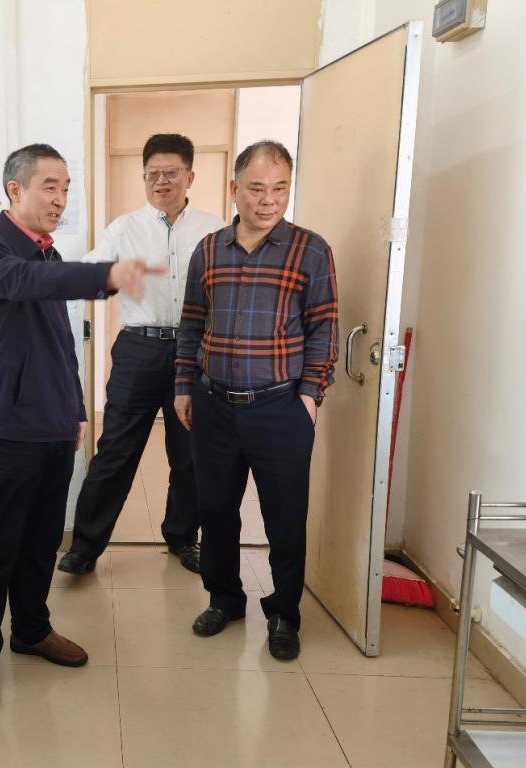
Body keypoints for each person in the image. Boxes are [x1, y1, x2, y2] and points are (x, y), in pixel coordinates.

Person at [0, 143, 163, 710]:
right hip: (7, 429)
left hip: (53, 428)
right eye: (49, 186)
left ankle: (31, 629)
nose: (60, 199)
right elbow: (25, 283)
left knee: (43, 541)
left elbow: (59, 346)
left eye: (66, 188)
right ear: (15, 190)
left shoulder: (47, 258)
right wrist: (106, 274)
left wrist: (75, 408)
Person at [174, 140, 338, 661]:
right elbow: (191, 322)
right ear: (234, 189)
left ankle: (284, 613)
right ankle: (225, 599)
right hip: (214, 406)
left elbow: (324, 328)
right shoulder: (208, 250)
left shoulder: (311, 250)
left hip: (280, 408)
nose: (268, 200)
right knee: (216, 510)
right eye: (257, 188)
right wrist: (184, 386)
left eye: (280, 188)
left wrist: (309, 396)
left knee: (284, 518)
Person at [58, 134, 224, 577]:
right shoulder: (124, 228)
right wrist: (103, 276)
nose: (161, 182)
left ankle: (183, 537)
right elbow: (91, 274)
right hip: (138, 349)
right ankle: (85, 547)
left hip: (195, 350)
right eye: (152, 174)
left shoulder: (214, 230)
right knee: (115, 449)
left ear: (190, 176)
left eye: (171, 173)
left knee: (189, 454)